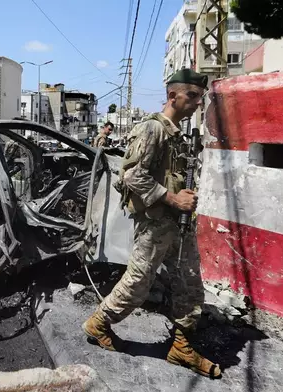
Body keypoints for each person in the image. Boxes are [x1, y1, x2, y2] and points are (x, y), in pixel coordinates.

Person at [81, 69, 221, 379]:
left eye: (200, 97)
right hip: (156, 223)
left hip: (178, 225)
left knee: (190, 282)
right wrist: (174, 200)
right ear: (173, 96)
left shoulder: (176, 133)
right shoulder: (152, 130)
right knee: (138, 283)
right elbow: (131, 176)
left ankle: (181, 347)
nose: (198, 103)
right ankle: (99, 323)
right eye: (192, 96)